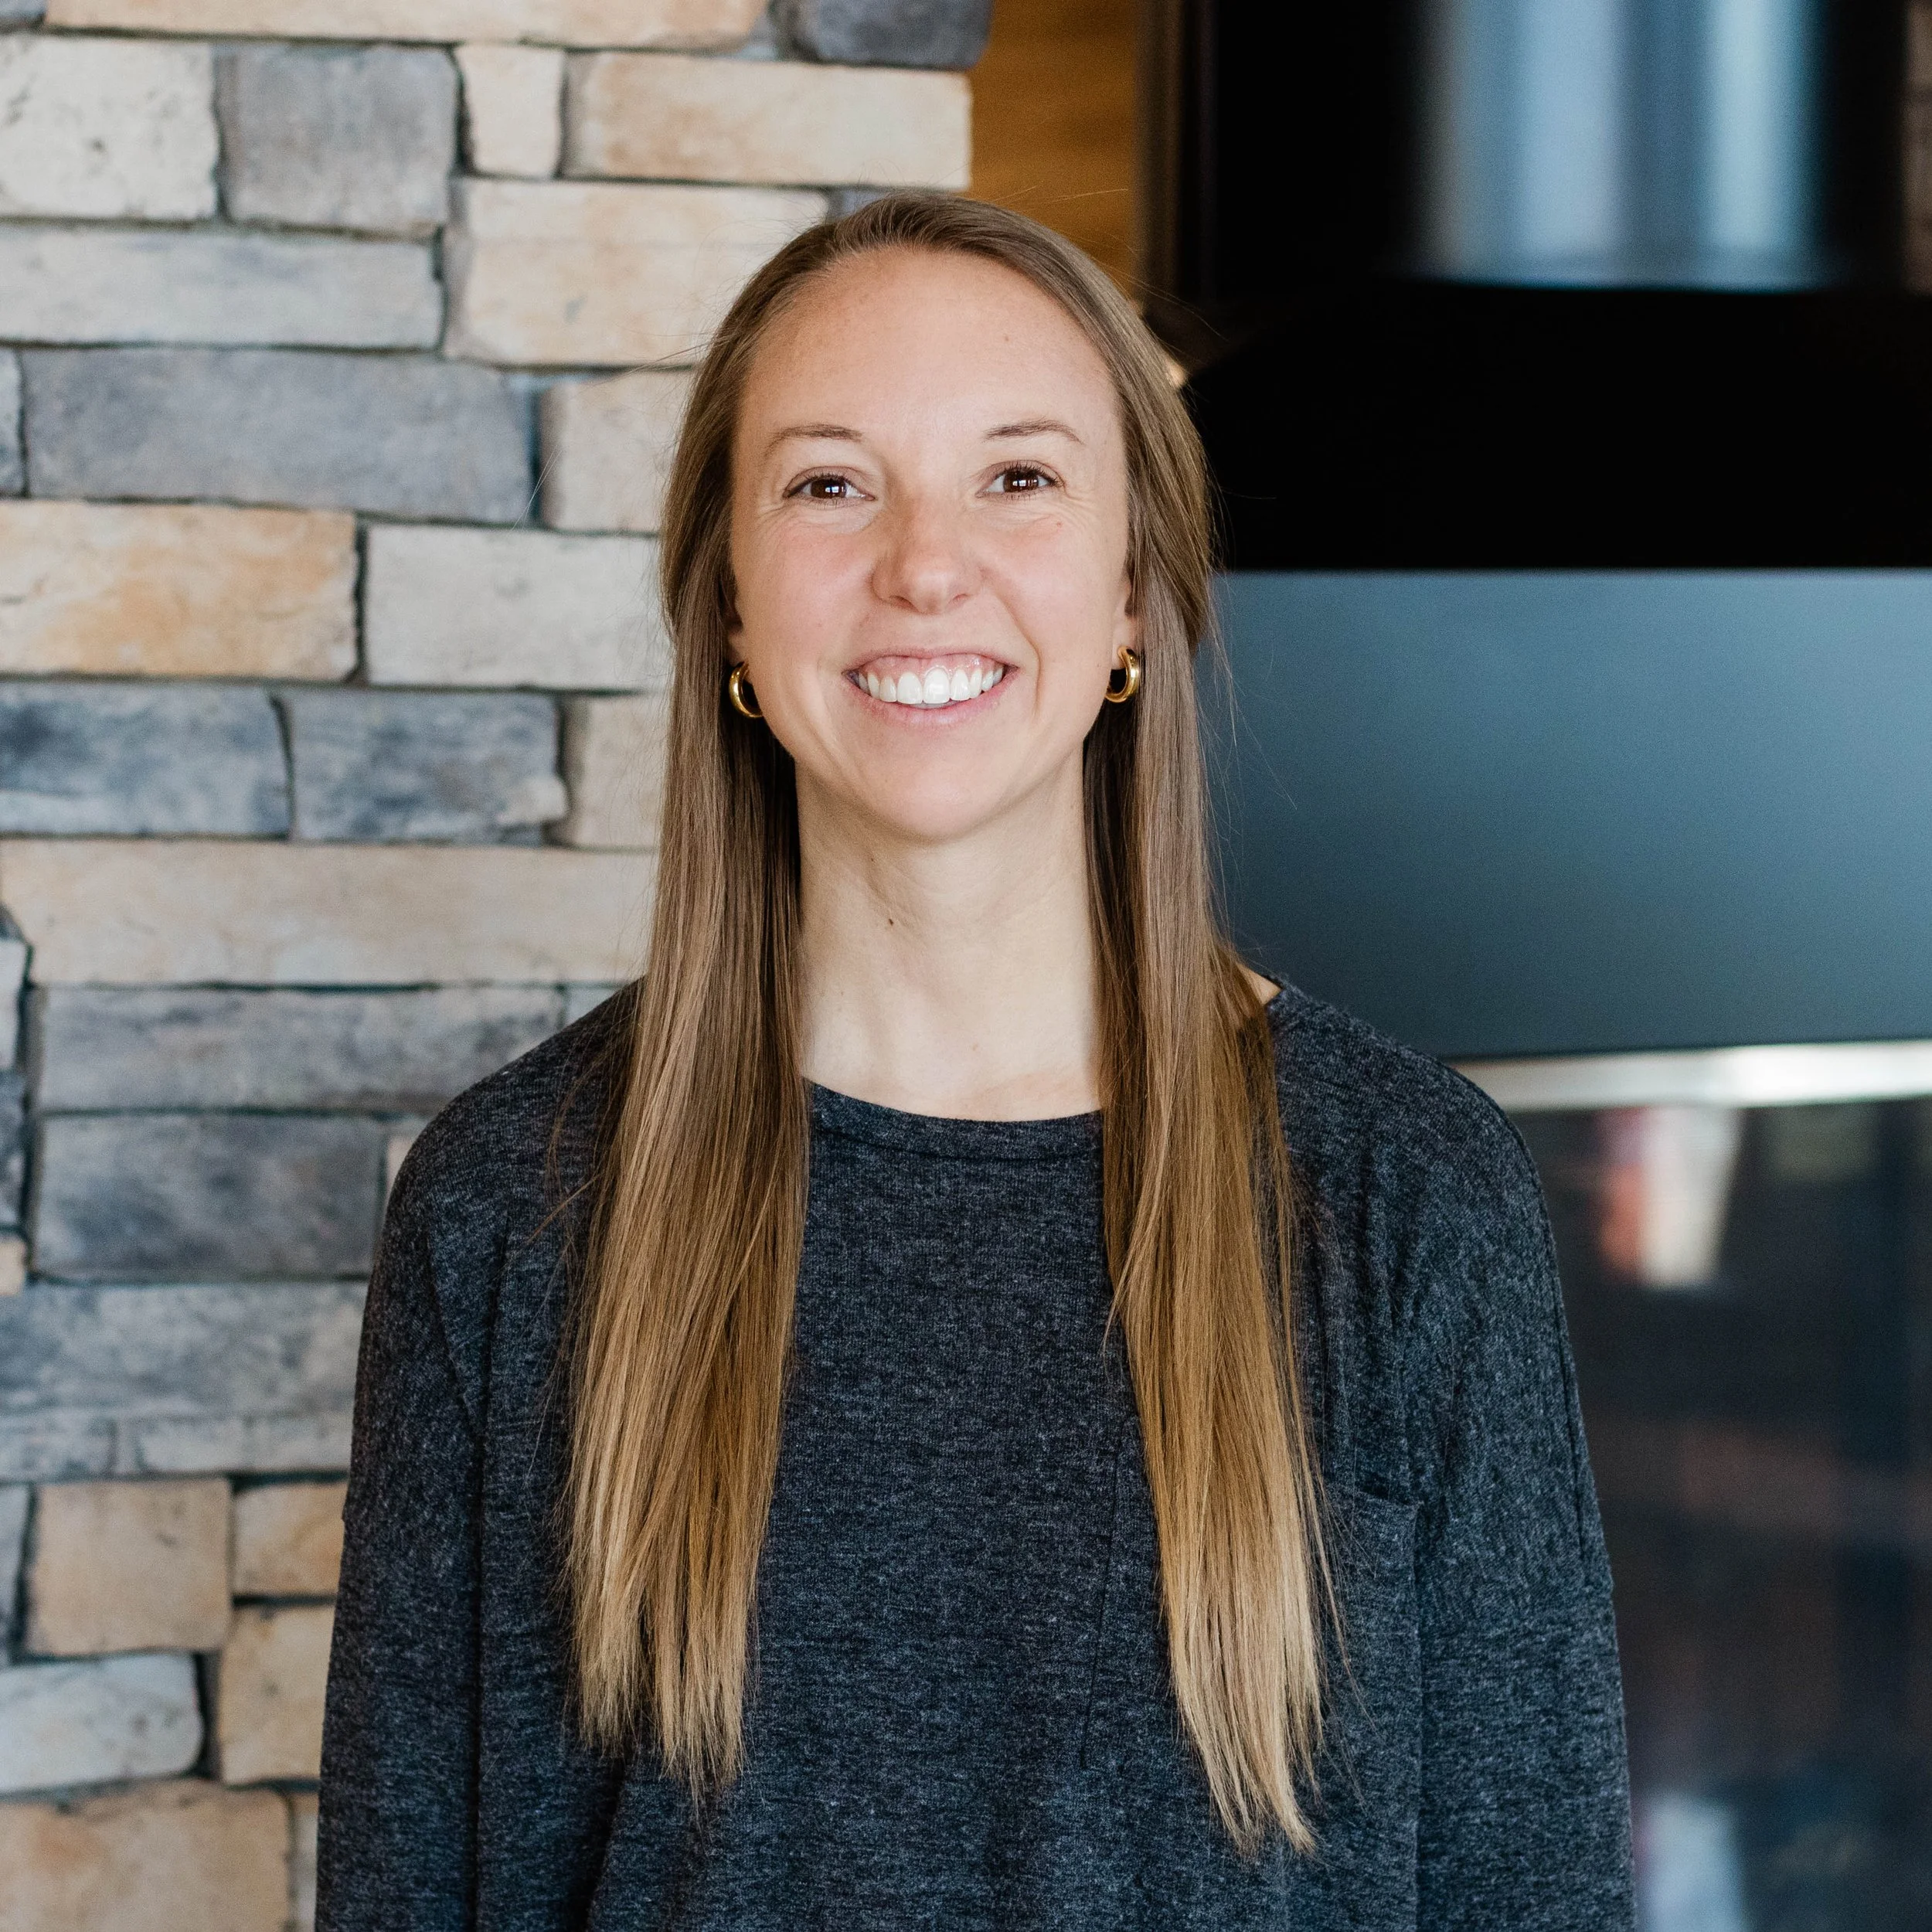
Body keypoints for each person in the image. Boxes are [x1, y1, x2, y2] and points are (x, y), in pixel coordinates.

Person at [316, 192, 1634, 1930]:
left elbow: (1530, 1893)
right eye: (827, 481)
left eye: (1016, 477)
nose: (923, 563)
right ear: (722, 602)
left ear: (1133, 601)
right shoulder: (511, 1204)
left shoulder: (1402, 1193)